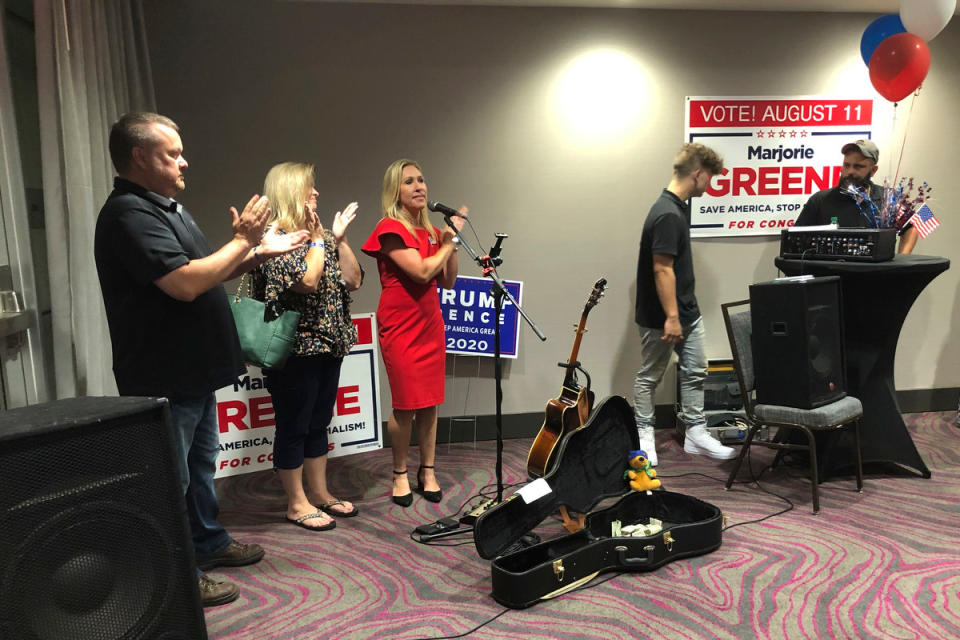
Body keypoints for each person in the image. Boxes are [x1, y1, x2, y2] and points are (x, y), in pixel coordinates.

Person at [95, 112, 307, 607]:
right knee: (173, 477)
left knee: (201, 466)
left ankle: (208, 544)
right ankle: (179, 573)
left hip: (194, 371)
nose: (184, 160)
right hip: (164, 372)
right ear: (140, 157)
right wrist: (243, 241)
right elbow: (185, 284)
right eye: (173, 153)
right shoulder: (128, 214)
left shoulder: (166, 207)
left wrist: (256, 254)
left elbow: (204, 270)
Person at [250, 162, 363, 531]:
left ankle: (320, 495)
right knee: (293, 426)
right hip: (294, 351)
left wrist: (340, 239)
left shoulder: (322, 236)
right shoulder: (274, 238)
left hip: (329, 345)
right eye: (309, 188)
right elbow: (309, 281)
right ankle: (297, 503)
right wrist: (317, 240)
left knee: (319, 422)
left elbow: (353, 280)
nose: (316, 193)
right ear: (290, 192)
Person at [361, 159, 466, 506]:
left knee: (431, 402)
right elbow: (421, 273)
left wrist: (449, 240)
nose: (419, 186)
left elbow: (447, 280)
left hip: (430, 323)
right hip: (400, 325)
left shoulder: (434, 232)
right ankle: (400, 472)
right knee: (405, 404)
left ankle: (429, 470)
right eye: (409, 182)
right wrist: (448, 245)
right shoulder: (389, 227)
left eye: (422, 180)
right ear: (396, 190)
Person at [634, 143, 737, 467]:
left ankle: (695, 431)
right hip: (662, 317)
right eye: (711, 178)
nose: (711, 185)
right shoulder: (666, 214)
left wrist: (683, 313)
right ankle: (644, 433)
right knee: (650, 376)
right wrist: (672, 318)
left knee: (695, 370)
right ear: (698, 174)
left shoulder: (680, 206)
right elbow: (661, 268)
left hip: (687, 311)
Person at [794, 139, 918, 254]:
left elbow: (912, 226)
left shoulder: (888, 198)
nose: (849, 172)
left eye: (858, 167)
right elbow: (795, 239)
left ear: (873, 170)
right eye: (846, 165)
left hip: (876, 275)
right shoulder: (820, 200)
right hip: (832, 274)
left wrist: (902, 260)